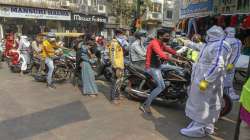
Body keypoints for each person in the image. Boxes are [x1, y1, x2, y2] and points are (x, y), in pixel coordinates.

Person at [179, 26, 232, 138]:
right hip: (202, 79)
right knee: (203, 103)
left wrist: (206, 80)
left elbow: (218, 65)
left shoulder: (220, 45)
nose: (205, 36)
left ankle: (198, 129)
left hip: (207, 82)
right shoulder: (211, 44)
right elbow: (199, 47)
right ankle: (207, 126)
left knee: (204, 104)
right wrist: (186, 42)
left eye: (208, 34)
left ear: (212, 35)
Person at [139, 28, 182, 114]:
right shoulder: (154, 43)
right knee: (161, 86)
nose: (169, 37)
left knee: (178, 69)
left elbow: (167, 49)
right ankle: (145, 105)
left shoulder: (161, 43)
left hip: (158, 65)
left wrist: (177, 53)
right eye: (167, 36)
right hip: (151, 67)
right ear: (160, 36)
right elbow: (162, 54)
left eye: (169, 36)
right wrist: (176, 60)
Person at [108, 29, 127, 104]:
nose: (123, 36)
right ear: (117, 34)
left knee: (120, 82)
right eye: (122, 34)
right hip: (116, 66)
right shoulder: (113, 43)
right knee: (114, 82)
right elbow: (112, 56)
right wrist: (116, 67)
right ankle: (113, 98)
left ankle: (118, 95)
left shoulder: (120, 43)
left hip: (121, 65)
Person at [224, 27, 242, 101]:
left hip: (226, 63)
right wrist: (232, 64)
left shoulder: (224, 40)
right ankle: (227, 95)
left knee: (227, 80)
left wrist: (231, 64)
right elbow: (236, 54)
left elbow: (235, 54)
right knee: (227, 80)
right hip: (227, 63)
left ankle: (228, 95)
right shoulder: (237, 42)